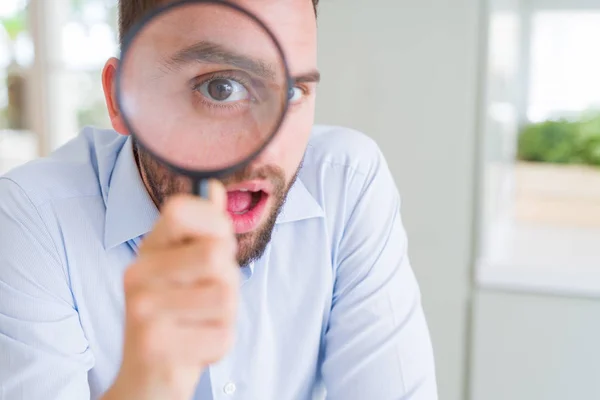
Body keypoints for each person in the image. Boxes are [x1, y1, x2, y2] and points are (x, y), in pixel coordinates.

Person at [0, 0, 438, 399]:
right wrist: (151, 379)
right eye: (221, 89)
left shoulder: (348, 184)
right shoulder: (31, 218)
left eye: (291, 93)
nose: (265, 148)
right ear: (120, 98)